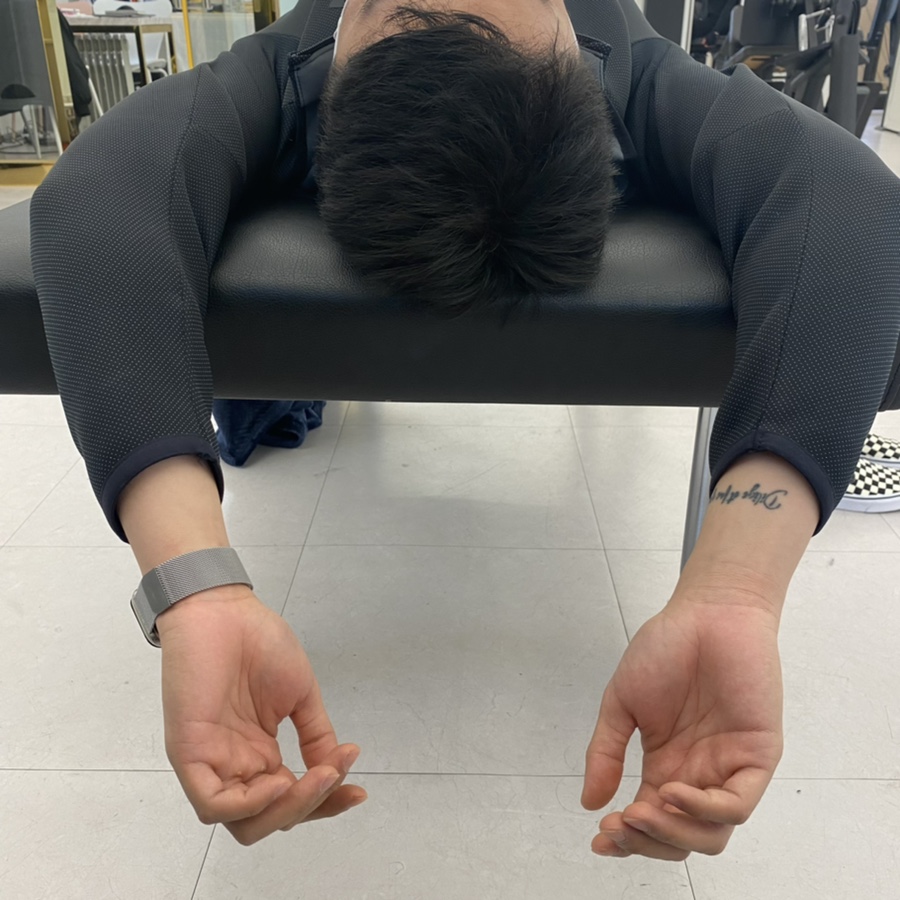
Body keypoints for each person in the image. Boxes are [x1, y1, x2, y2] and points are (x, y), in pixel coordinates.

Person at [29, 0, 900, 862]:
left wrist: (741, 588)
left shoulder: (629, 66)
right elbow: (104, 196)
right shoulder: (291, 67)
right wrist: (196, 590)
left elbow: (845, 200)